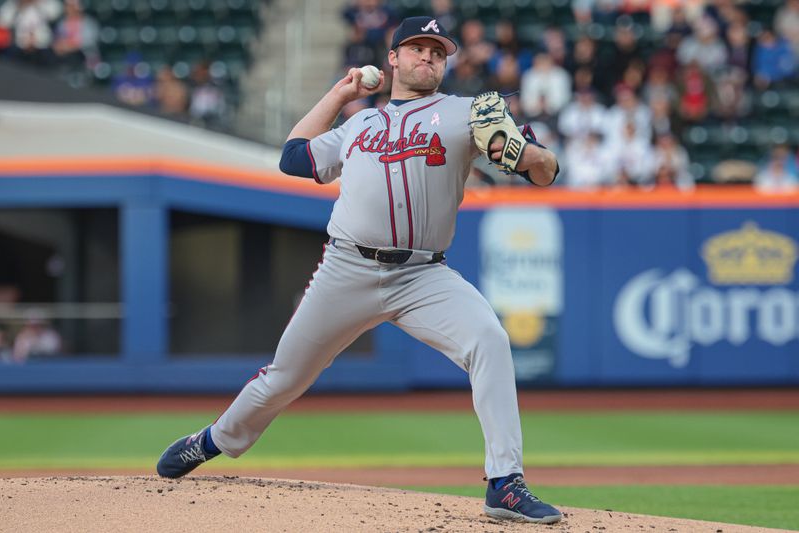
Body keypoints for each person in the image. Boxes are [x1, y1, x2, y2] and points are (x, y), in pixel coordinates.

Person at [156, 15, 562, 525]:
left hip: (422, 276)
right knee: (284, 377)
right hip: (345, 268)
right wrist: (340, 93)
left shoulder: (466, 113)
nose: (429, 57)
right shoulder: (361, 125)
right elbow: (292, 157)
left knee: (489, 340)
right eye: (417, 47)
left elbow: (544, 172)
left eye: (438, 51)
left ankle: (504, 483)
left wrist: (528, 153)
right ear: (392, 58)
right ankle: (212, 440)